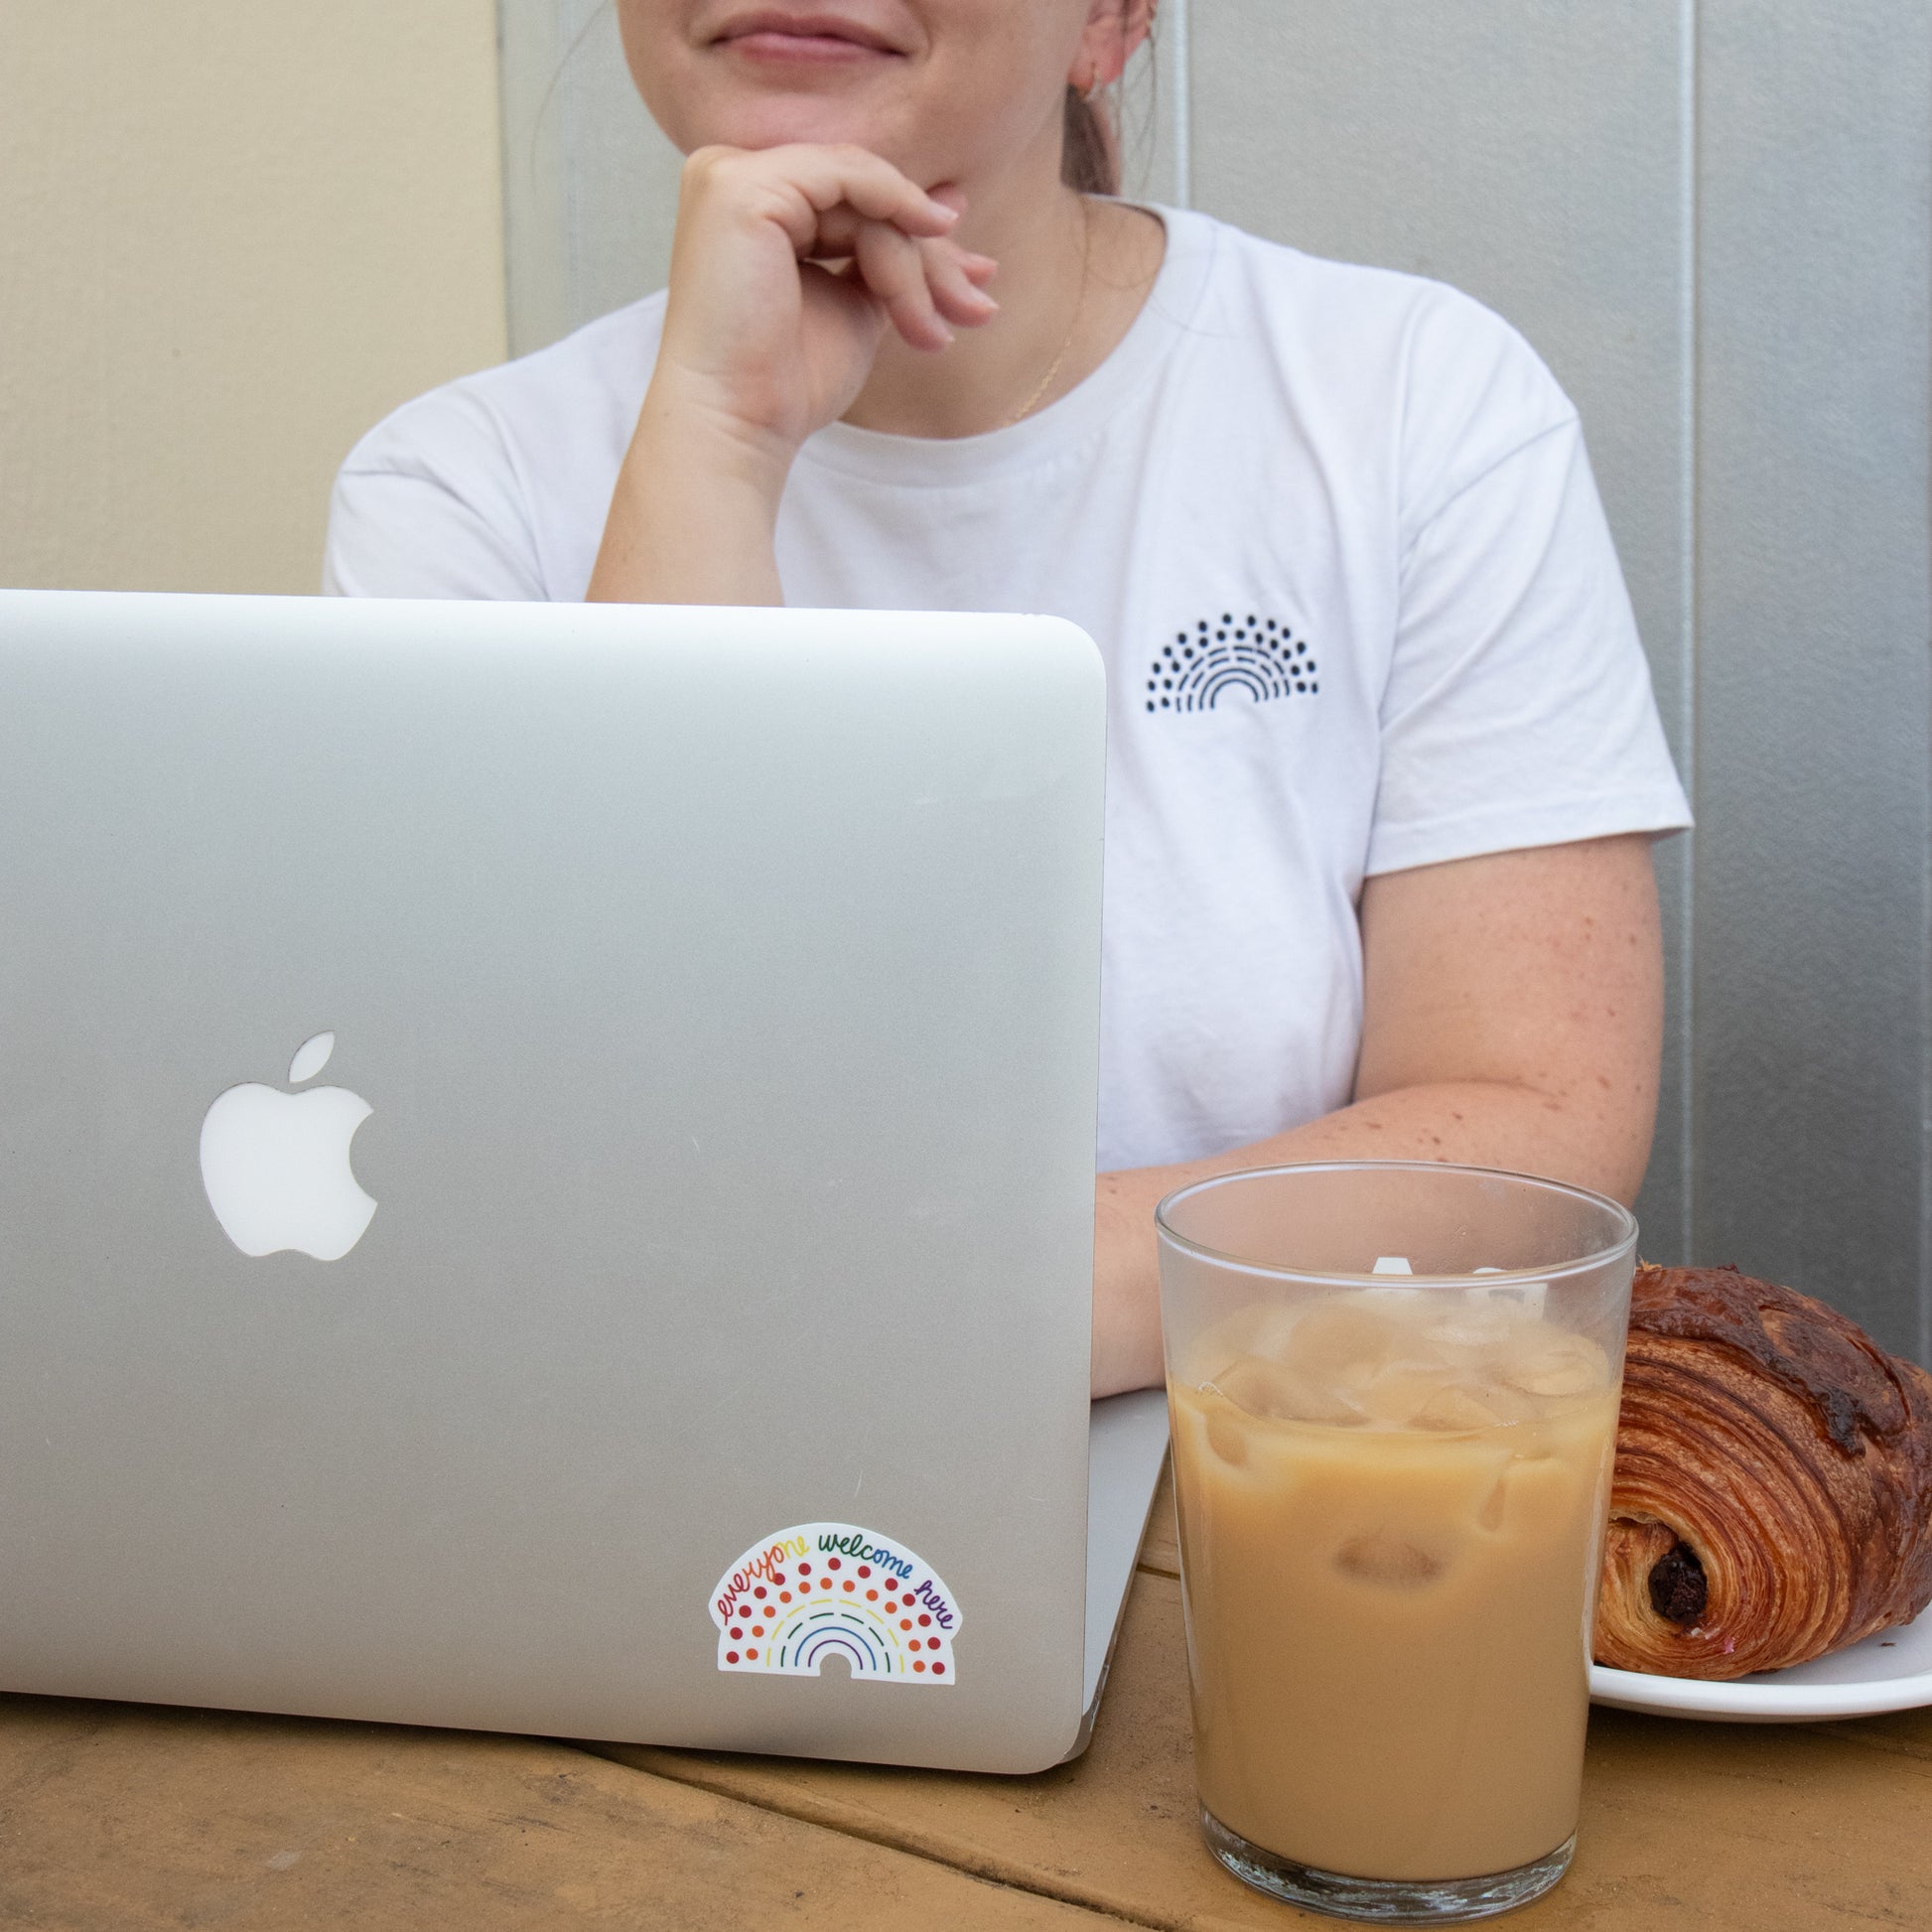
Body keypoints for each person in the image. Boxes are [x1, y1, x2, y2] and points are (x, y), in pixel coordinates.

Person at [325, 1, 1691, 1396]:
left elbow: (1532, 1129)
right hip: (653, 1500)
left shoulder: (1409, 406)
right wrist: (719, 444)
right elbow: (575, 1155)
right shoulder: (455, 497)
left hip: (1250, 1511)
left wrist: (896, 1302)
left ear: (1105, 21)